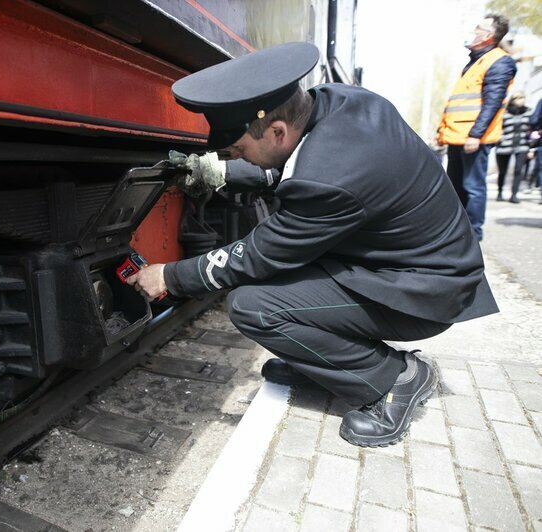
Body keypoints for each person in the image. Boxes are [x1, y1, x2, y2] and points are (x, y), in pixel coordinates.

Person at [127, 42, 499, 447]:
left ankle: (394, 378)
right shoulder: (340, 103)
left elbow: (259, 253)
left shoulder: (331, 178)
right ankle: (328, 364)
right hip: (408, 266)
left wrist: (170, 275)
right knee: (278, 284)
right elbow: (293, 165)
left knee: (253, 306)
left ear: (276, 131)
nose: (240, 158)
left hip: (421, 291)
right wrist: (221, 171)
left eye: (239, 151)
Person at [437, 14, 516, 240]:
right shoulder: (475, 62)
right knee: (455, 188)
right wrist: (441, 131)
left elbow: (492, 102)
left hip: (473, 138)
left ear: (489, 36)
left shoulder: (499, 61)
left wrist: (476, 135)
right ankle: (456, 233)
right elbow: (459, 102)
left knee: (472, 187)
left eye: (478, 28)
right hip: (457, 136)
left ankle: (473, 235)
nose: (473, 31)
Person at [495, 92, 534, 203]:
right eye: (518, 98)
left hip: (522, 146)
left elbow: (532, 130)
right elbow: (497, 128)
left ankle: (514, 195)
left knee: (518, 170)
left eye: (523, 98)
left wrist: (531, 147)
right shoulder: (504, 113)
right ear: (512, 100)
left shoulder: (528, 112)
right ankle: (500, 192)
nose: (521, 100)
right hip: (504, 146)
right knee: (502, 171)